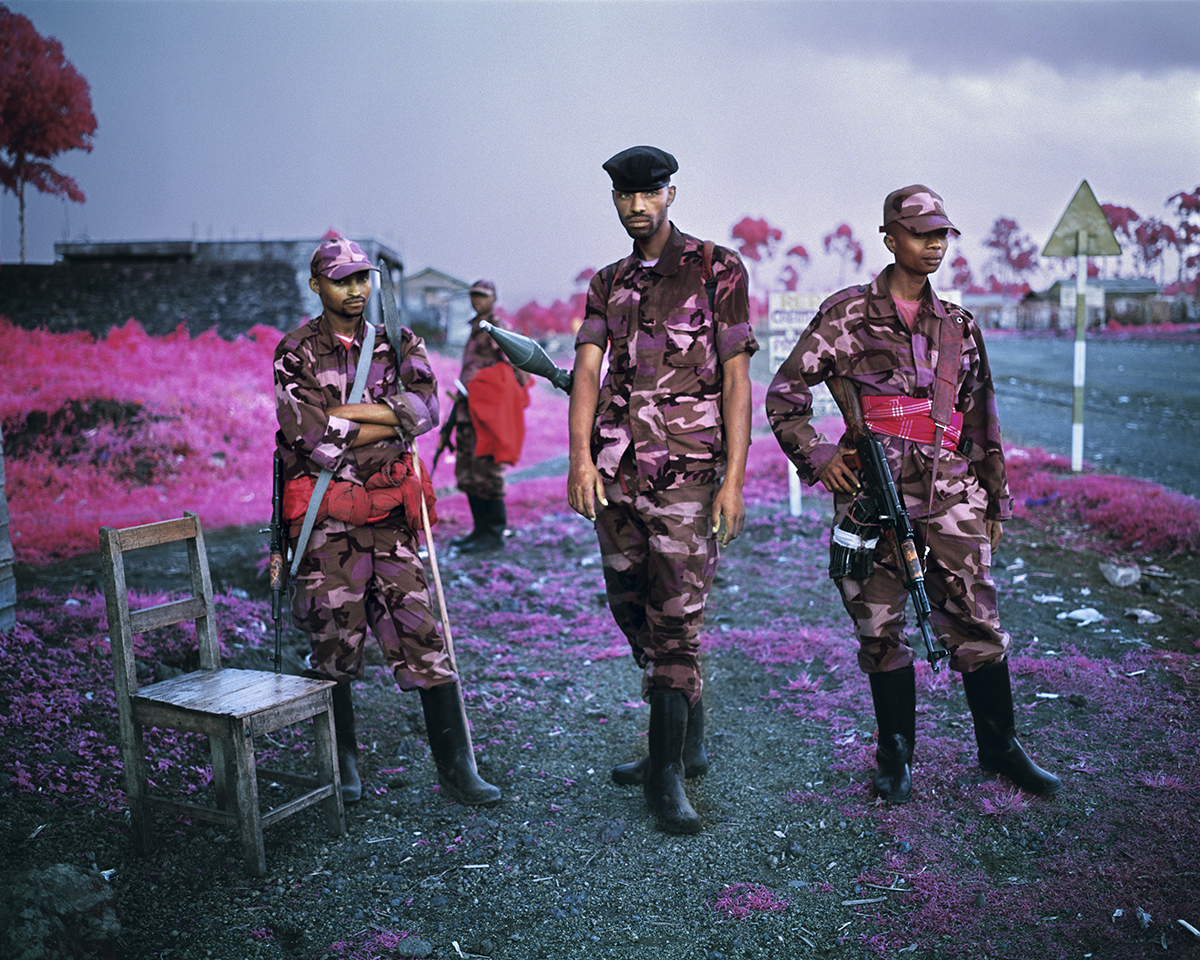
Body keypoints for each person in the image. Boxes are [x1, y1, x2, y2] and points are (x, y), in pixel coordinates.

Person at [765, 186, 1061, 804]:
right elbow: (785, 397)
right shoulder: (846, 316)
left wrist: (995, 501)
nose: (934, 243)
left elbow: (981, 422)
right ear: (890, 238)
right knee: (878, 628)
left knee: (979, 623)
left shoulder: (957, 326)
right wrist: (821, 456)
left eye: (942, 234)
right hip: (873, 504)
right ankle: (895, 755)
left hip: (952, 499)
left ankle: (1001, 747)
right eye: (921, 232)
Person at [568, 146, 758, 834]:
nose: (636, 207)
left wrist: (733, 480)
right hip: (617, 473)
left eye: (648, 195)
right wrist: (579, 460)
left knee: (676, 624)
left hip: (688, 473)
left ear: (670, 195)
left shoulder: (716, 267)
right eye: (624, 196)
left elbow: (737, 378)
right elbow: (586, 370)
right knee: (634, 612)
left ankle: (666, 771)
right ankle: (688, 740)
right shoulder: (607, 281)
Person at [274, 237, 501, 807]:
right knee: (333, 643)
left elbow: (425, 412)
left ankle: (457, 767)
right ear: (316, 285)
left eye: (361, 279)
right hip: (329, 526)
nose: (354, 290)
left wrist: (345, 416)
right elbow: (306, 434)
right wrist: (387, 418)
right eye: (341, 280)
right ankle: (342, 765)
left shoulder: (398, 342)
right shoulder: (294, 350)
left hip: (391, 520)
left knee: (425, 635)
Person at [444, 280, 531, 554]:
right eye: (474, 296)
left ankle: (493, 533)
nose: (477, 301)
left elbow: (518, 366)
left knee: (488, 472)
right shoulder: (474, 328)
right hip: (467, 411)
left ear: (494, 298)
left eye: (482, 296)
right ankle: (479, 531)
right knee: (468, 473)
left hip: (487, 413)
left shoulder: (496, 327)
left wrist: (493, 392)